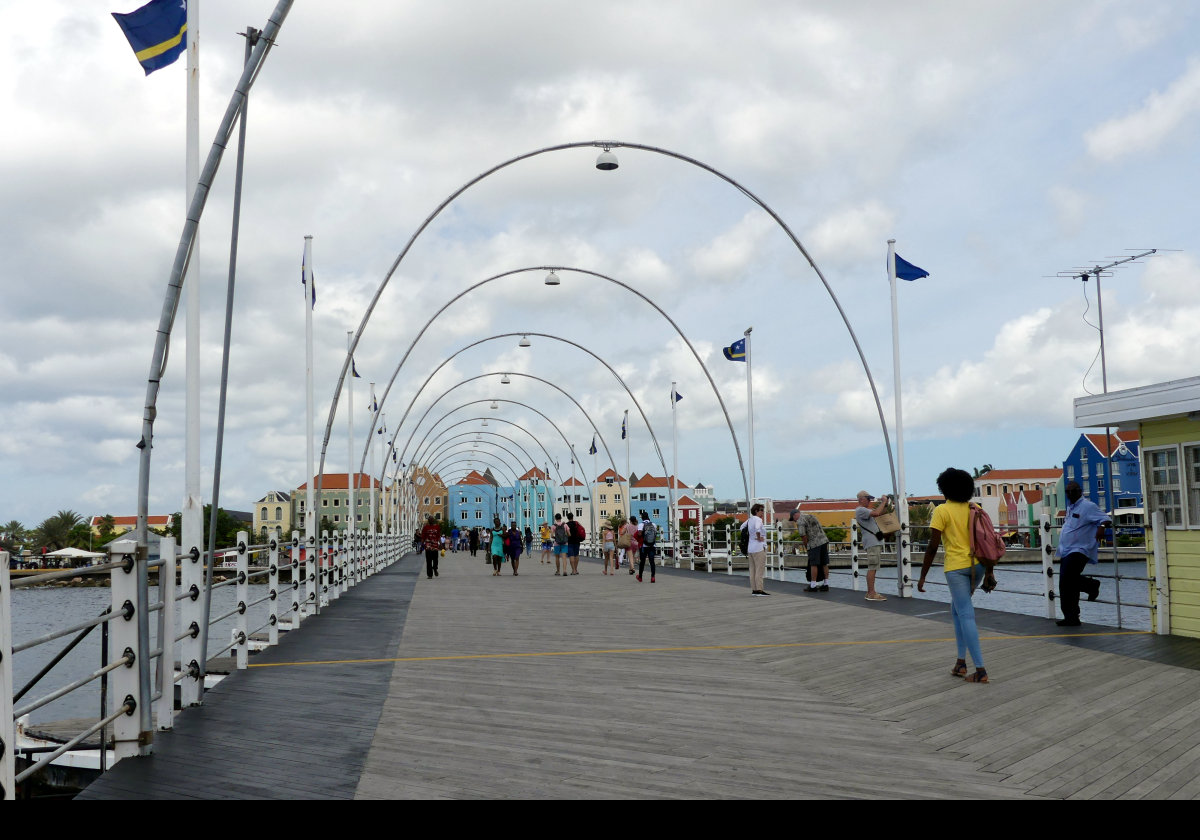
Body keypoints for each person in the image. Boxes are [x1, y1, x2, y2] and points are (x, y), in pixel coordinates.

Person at [918, 468, 989, 683]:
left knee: (965, 614)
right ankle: (960, 662)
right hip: (978, 565)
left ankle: (980, 670)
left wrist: (922, 576)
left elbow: (932, 546)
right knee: (957, 610)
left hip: (957, 567)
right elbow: (986, 538)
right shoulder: (974, 508)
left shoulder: (942, 511)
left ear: (944, 488)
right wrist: (990, 572)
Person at [1056, 480, 1109, 627]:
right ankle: (1071, 617)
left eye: (1073, 491)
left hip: (1080, 549)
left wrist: (1102, 527)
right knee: (1065, 584)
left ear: (1080, 491)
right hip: (1066, 550)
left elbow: (1105, 519)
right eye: (1068, 492)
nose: (1070, 494)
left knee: (1068, 580)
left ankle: (1091, 585)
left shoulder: (1088, 506)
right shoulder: (1070, 508)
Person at [855, 490, 891, 602]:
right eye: (868, 499)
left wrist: (886, 504)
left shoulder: (865, 511)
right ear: (861, 499)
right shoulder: (861, 510)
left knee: (874, 567)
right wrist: (883, 501)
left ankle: (871, 592)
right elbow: (876, 513)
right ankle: (871, 593)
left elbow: (879, 512)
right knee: (872, 567)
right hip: (872, 542)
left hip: (874, 542)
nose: (870, 501)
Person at [794, 508, 830, 592]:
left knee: (813, 564)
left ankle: (813, 585)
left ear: (795, 515)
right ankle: (826, 584)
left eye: (793, 519)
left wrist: (807, 546)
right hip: (823, 540)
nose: (794, 521)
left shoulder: (800, 521)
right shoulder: (811, 516)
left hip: (814, 543)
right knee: (824, 563)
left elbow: (803, 535)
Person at [743, 504, 769, 596]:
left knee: (752, 570)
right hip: (759, 548)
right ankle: (759, 590)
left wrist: (751, 535)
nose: (763, 512)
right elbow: (758, 529)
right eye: (761, 510)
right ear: (756, 511)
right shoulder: (758, 519)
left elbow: (741, 527)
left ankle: (754, 590)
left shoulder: (750, 520)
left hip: (750, 548)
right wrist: (759, 537)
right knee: (759, 570)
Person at [637, 511, 657, 583]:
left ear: (642, 517)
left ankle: (640, 577)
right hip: (652, 545)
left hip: (644, 546)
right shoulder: (654, 524)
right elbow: (655, 534)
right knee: (652, 562)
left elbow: (639, 534)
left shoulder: (641, 524)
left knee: (642, 561)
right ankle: (653, 577)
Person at [420, 515, 442, 580]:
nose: (431, 520)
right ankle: (430, 575)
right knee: (428, 561)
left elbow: (438, 536)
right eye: (429, 519)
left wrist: (440, 544)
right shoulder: (425, 527)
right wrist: (421, 546)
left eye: (432, 519)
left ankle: (435, 569)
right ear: (428, 521)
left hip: (435, 546)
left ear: (434, 520)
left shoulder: (437, 527)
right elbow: (423, 537)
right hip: (428, 546)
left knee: (435, 560)